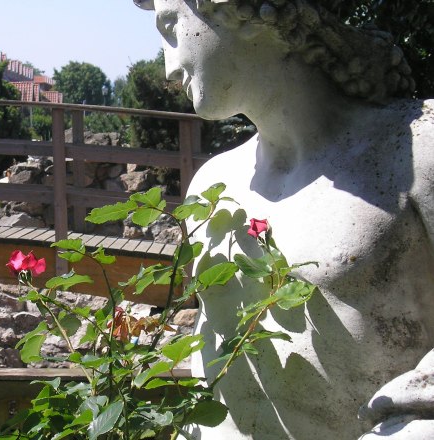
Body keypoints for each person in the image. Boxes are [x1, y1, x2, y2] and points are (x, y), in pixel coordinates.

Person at [133, 0, 434, 438]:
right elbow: (210, 356)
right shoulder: (211, 187)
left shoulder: (416, 150)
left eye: (170, 26)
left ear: (242, 11)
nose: (169, 68)